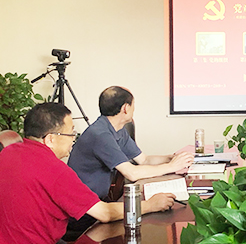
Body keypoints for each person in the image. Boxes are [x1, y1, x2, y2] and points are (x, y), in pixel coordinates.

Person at [0, 103, 174, 244]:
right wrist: (151, 205)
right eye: (71, 133)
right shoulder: (55, 170)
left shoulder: (7, 152)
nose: (73, 139)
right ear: (51, 139)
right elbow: (105, 213)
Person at [68, 86, 194, 199]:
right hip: (82, 204)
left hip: (96, 200)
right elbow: (132, 173)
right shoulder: (100, 135)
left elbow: (144, 160)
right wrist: (171, 167)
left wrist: (171, 158)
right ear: (126, 108)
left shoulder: (117, 129)